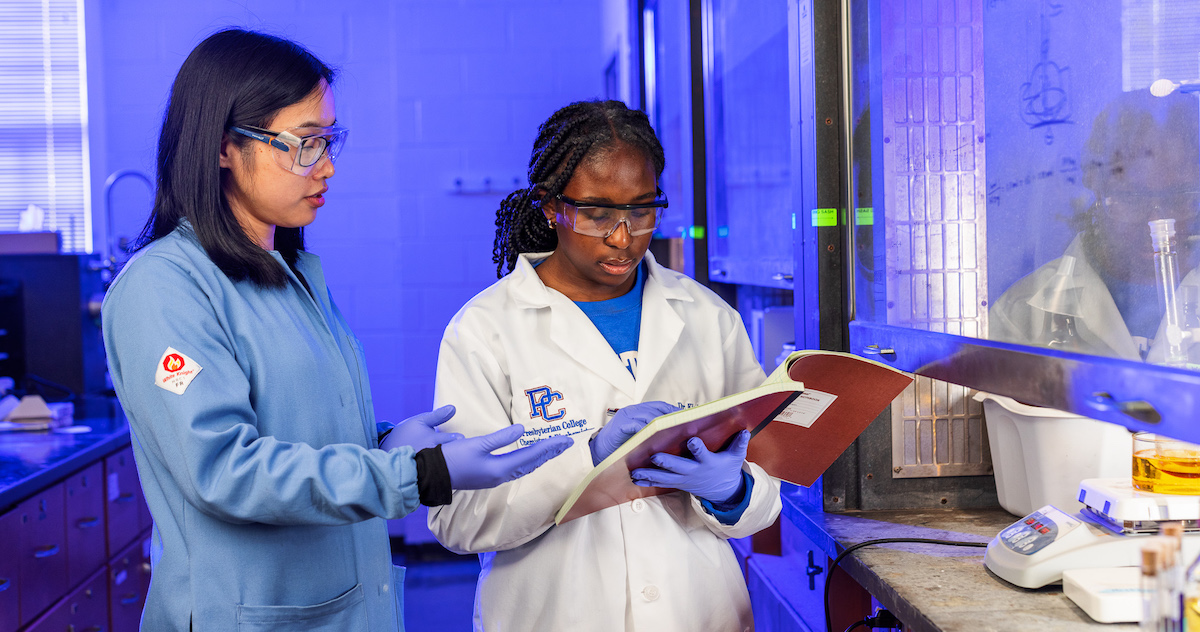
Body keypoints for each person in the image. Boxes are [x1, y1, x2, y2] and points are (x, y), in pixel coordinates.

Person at [101, 29, 572, 632]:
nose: (325, 167)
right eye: (304, 144)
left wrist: (382, 442)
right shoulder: (163, 288)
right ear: (224, 147)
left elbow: (299, 431)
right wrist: (422, 474)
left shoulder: (290, 274)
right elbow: (226, 471)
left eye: (330, 142)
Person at [427, 100, 783, 631]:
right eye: (597, 214)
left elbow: (766, 489)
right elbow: (457, 520)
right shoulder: (485, 329)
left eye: (642, 210)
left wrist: (732, 493)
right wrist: (585, 460)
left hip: (697, 611)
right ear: (550, 207)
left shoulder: (708, 317)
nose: (624, 237)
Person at [990, 89, 1200, 364]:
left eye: (1178, 198)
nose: (1156, 224)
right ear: (1094, 184)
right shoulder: (1022, 315)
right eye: (1132, 198)